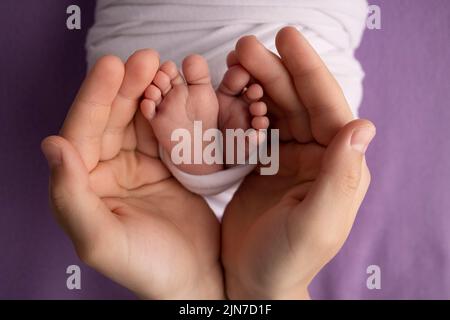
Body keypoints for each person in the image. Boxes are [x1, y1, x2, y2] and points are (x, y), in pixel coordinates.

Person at [41, 1, 375, 299]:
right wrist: (263, 292)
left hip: (140, 141)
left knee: (127, 86)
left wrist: (197, 292)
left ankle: (206, 157)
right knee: (321, 116)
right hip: (292, 141)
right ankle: (209, 156)